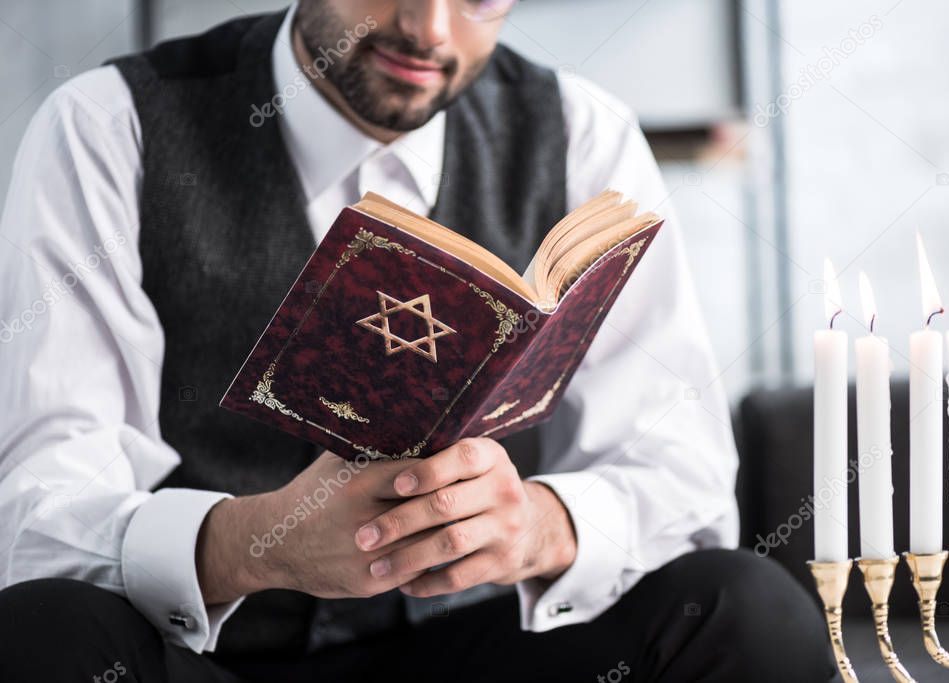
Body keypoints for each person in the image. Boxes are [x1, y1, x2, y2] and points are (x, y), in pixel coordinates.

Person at [0, 1, 833, 680]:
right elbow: (36, 518)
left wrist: (542, 527)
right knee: (44, 634)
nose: (430, 28)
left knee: (747, 613)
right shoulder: (109, 128)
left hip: (485, 652)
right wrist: (249, 546)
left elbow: (688, 489)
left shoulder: (585, 137)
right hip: (212, 660)